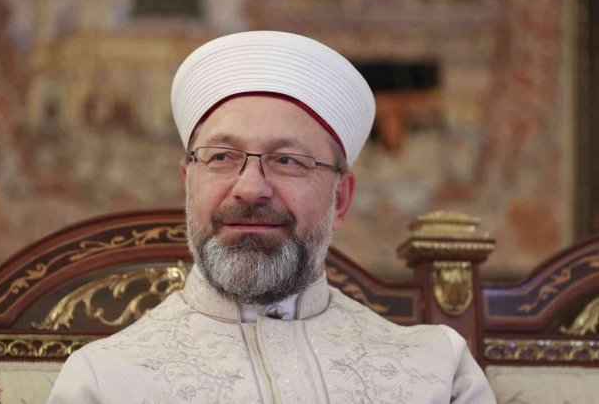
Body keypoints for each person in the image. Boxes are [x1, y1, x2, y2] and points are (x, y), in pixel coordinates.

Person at [47, 31, 496, 403]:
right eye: (222, 157)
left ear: (340, 199)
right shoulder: (104, 381)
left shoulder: (437, 371)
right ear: (189, 184)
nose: (250, 188)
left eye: (287, 161)